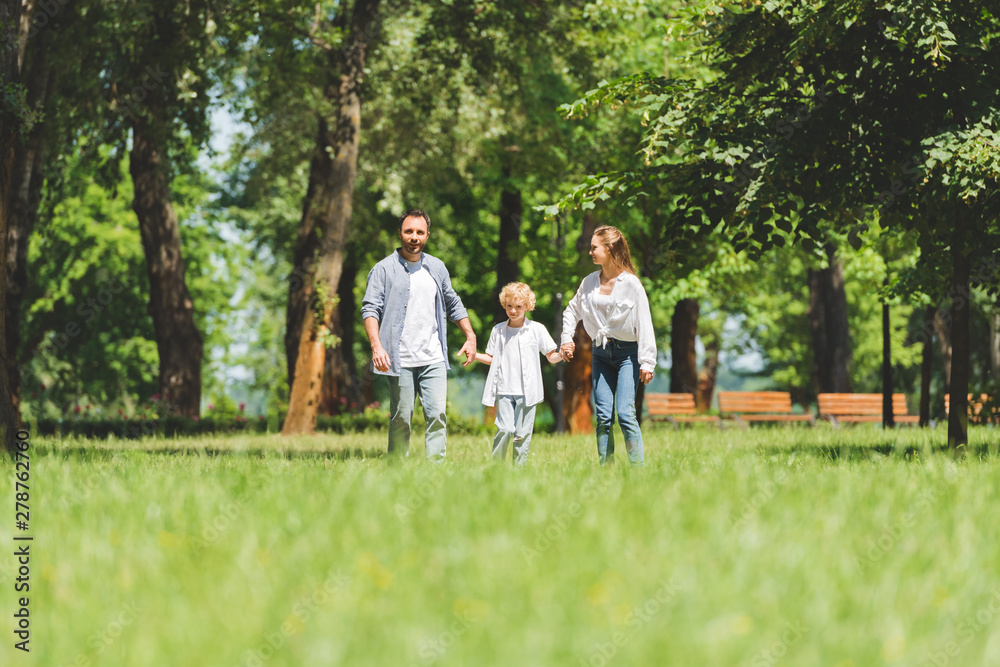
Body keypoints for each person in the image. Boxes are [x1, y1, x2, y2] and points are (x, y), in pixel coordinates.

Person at [361, 209, 477, 461]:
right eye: (409, 231)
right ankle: (396, 469)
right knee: (401, 417)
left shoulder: (436, 267)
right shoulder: (383, 269)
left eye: (420, 232)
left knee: (436, 415)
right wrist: (376, 346)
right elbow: (370, 308)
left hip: (432, 356)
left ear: (427, 235)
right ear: (400, 233)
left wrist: (470, 335)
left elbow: (453, 302)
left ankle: (436, 473)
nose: (414, 237)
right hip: (398, 358)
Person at [560, 225, 655, 465]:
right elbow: (571, 311)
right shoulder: (589, 282)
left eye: (594, 248)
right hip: (600, 353)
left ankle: (638, 471)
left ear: (610, 248)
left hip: (628, 356)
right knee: (603, 416)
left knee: (625, 413)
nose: (590, 252)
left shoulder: (631, 284)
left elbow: (644, 322)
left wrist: (647, 361)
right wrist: (566, 339)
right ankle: (607, 470)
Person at [477, 282, 562, 465]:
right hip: (504, 389)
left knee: (522, 435)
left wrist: (562, 354)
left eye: (518, 306)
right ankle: (497, 467)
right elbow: (492, 358)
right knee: (506, 429)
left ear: (527, 306)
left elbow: (551, 356)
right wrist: (474, 355)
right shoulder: (498, 330)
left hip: (528, 392)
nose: (513, 311)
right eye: (509, 306)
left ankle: (519, 471)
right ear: (504, 304)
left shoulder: (537, 329)